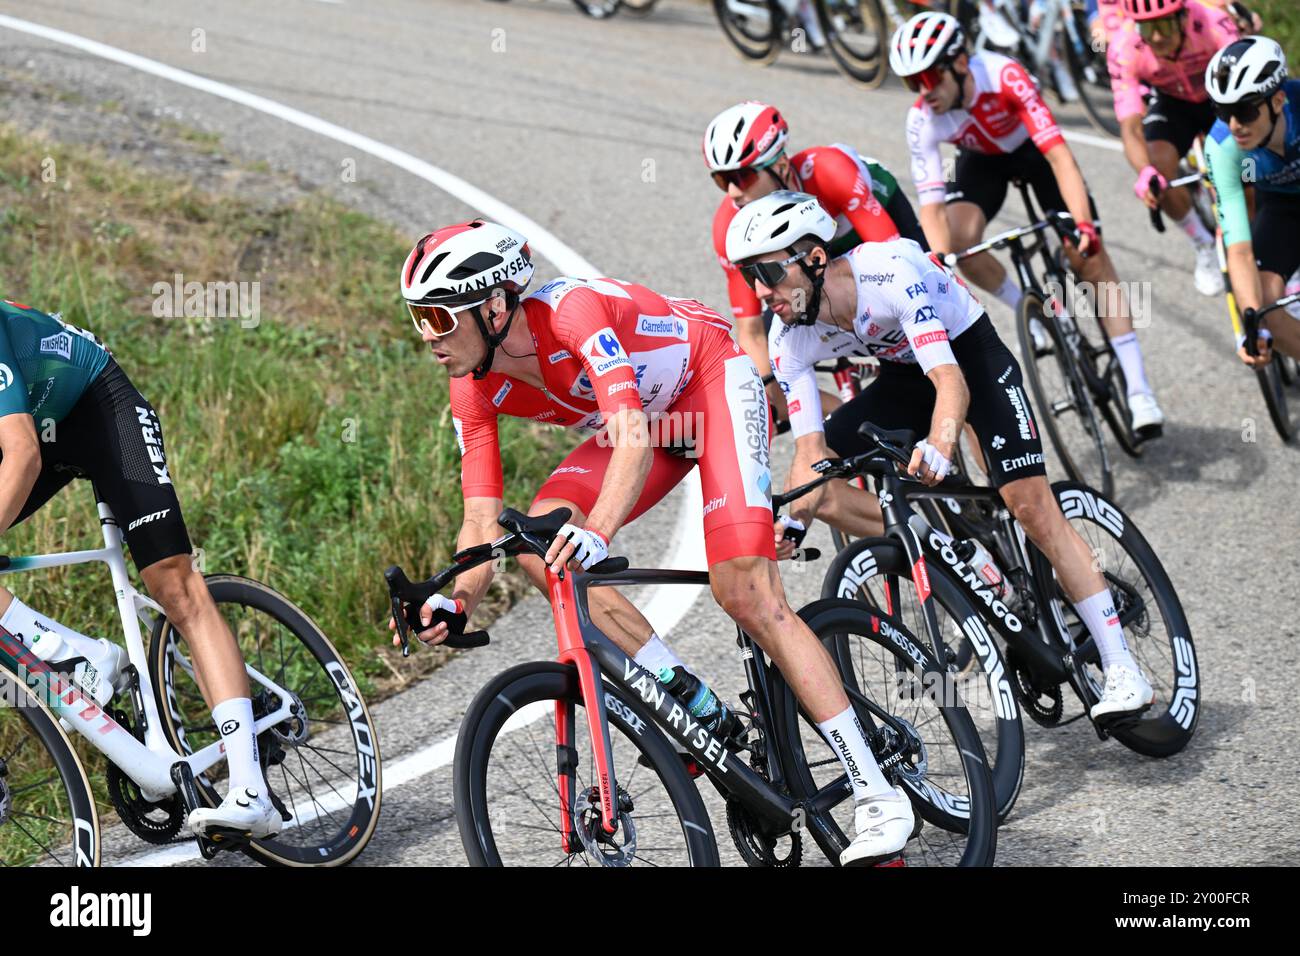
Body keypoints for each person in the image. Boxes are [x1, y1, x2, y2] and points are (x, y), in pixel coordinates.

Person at [396, 219, 918, 864]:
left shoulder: (572, 315)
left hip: (710, 383)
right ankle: (687, 695)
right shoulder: (470, 386)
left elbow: (632, 435)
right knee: (537, 542)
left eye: (441, 319)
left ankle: (877, 792)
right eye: (419, 316)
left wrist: (598, 531)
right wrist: (459, 598)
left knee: (746, 592)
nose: (427, 335)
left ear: (495, 304)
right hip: (649, 421)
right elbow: (480, 520)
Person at [728, 190, 1157, 720]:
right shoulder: (790, 336)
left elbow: (950, 382)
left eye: (768, 273)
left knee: (1030, 506)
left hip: (970, 358)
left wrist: (940, 443)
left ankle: (1122, 669)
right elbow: (810, 452)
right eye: (750, 278)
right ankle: (954, 547)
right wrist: (795, 523)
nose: (760, 290)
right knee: (827, 491)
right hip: (906, 378)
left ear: (815, 260)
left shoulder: (889, 273)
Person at [0, 298, 281, 838]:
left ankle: (251, 792)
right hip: (33, 426)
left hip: (96, 405)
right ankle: (80, 656)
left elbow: (23, 455)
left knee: (172, 583)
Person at [891, 10, 1166, 440]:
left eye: (927, 79)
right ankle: (1032, 309)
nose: (922, 94)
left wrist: (1084, 227)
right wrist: (941, 261)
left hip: (1035, 153)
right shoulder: (922, 118)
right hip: (983, 161)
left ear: (959, 63)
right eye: (912, 84)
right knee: (961, 245)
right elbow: (932, 206)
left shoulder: (1004, 76)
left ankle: (1138, 390)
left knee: (1088, 258)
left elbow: (1060, 158)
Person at [703, 101, 927, 424]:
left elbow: (896, 265)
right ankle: (840, 412)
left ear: (780, 166)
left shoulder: (828, 169)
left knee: (946, 354)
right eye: (723, 181)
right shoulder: (730, 227)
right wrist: (770, 385)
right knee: (763, 376)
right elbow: (750, 330)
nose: (734, 192)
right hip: (808, 264)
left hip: (869, 234)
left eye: (743, 176)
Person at [1110, 0, 1241, 296]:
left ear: (1183, 17)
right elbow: (1130, 127)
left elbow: (1247, 93)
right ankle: (1202, 243)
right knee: (1158, 175)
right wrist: (1145, 172)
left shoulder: (1213, 24)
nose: (1156, 37)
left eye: (1164, 25)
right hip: (1173, 102)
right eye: (1148, 27)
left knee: (1245, 167)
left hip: (1220, 94)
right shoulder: (1124, 47)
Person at [1204, 36, 1300, 365]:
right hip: (1281, 206)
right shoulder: (1222, 148)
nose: (1234, 125)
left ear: (1277, 101)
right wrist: (1251, 324)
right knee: (1266, 305)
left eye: (1244, 110)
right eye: (1223, 111)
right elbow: (1240, 250)